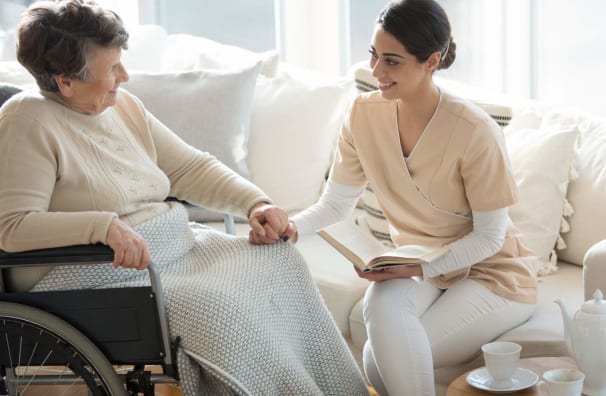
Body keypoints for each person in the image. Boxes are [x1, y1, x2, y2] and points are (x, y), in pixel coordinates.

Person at [0, 1, 369, 395]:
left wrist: (255, 203)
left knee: (279, 261)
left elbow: (188, 168)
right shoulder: (26, 120)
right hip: (92, 271)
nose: (124, 76)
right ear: (65, 82)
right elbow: (12, 227)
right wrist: (102, 226)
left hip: (166, 249)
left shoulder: (123, 106)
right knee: (218, 309)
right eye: (111, 69)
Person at [289, 1, 540, 395]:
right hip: (419, 259)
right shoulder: (362, 114)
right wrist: (288, 228)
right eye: (373, 55)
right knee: (380, 307)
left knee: (378, 360)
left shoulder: (474, 130)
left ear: (431, 61)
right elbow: (336, 206)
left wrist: (416, 270)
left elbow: (490, 238)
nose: (376, 72)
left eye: (392, 61)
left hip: (492, 273)